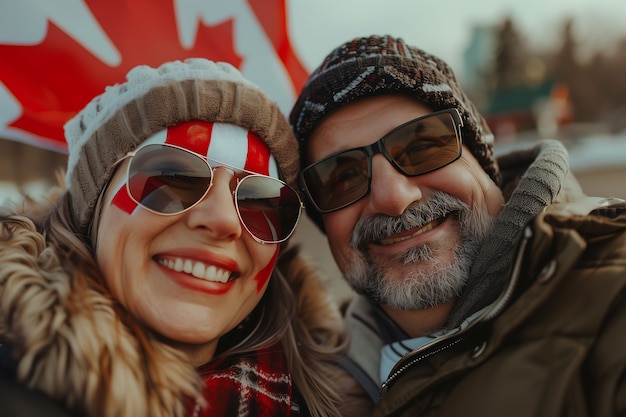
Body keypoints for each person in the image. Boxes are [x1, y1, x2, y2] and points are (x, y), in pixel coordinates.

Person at [289, 34, 626, 417]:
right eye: (342, 177)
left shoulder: (612, 290)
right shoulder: (300, 384)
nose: (394, 197)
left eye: (422, 146)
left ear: (482, 161)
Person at [0, 58, 348, 417]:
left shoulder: (350, 399)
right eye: (172, 177)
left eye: (260, 200)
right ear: (90, 212)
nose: (224, 220)